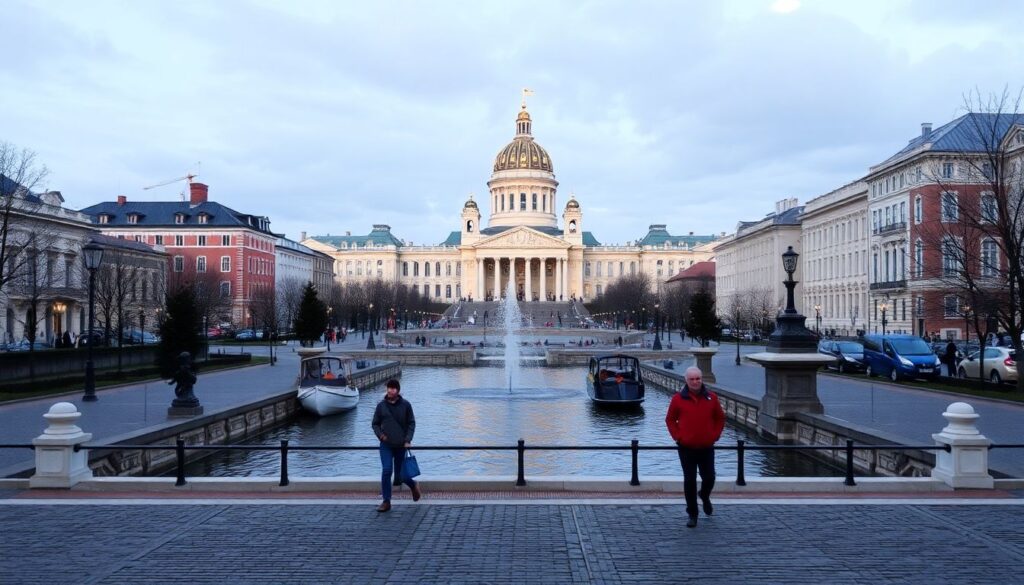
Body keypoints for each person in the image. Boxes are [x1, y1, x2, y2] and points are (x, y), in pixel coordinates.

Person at [665, 366, 725, 528]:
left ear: (701, 379)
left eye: (698, 378)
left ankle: (704, 495)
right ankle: (693, 514)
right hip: (686, 447)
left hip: (706, 446)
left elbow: (720, 418)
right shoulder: (678, 399)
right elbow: (670, 420)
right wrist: (678, 437)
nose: (695, 381)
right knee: (689, 480)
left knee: (710, 477)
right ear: (686, 380)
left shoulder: (711, 398)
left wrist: (715, 435)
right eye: (692, 379)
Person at [370, 379, 421, 512]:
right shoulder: (381, 406)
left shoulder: (406, 405)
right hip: (386, 445)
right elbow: (375, 423)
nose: (390, 390)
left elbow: (411, 423)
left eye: (393, 388)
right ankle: (386, 501)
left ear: (398, 390)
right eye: (389, 388)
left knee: (401, 476)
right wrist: (380, 435)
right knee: (387, 470)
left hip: (401, 445)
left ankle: (413, 485)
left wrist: (408, 440)